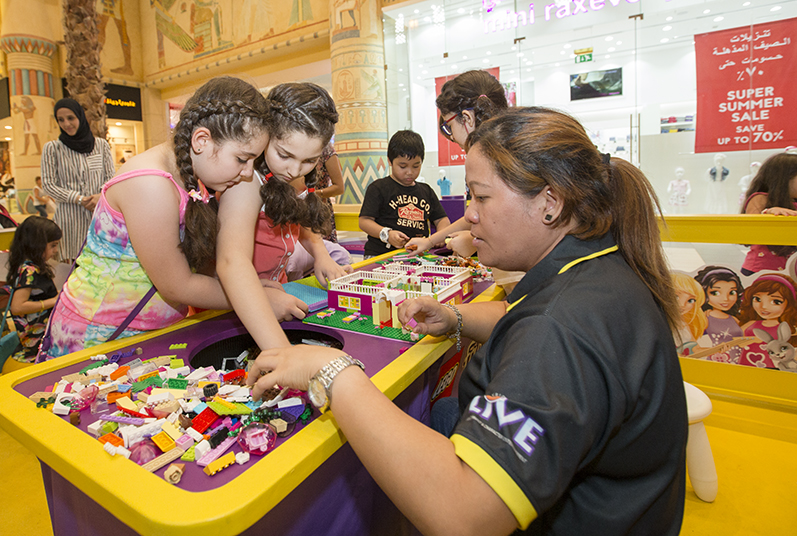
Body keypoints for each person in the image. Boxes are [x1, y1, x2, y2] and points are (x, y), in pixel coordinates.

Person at [247, 107, 687, 535]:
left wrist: (332, 373)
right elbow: (520, 320)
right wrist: (456, 316)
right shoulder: (596, 267)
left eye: (481, 196)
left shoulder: (561, 328)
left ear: (550, 203)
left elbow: (466, 516)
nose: (469, 213)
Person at [39, 77, 270, 360]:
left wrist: (249, 287)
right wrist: (256, 299)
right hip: (98, 338)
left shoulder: (189, 177)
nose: (248, 173)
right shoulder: (150, 184)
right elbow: (177, 284)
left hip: (144, 334)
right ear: (201, 141)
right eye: (242, 159)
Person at [216, 82, 350, 353]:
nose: (294, 170)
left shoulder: (288, 176)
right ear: (266, 135)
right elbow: (232, 262)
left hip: (276, 297)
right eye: (284, 155)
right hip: (237, 306)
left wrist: (321, 254)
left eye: (309, 161)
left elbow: (299, 222)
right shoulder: (246, 183)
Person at [406, 69, 508, 256]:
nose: (451, 137)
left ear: (467, 118)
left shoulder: (494, 159)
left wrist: (475, 242)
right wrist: (430, 241)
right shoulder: (501, 150)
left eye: (449, 126)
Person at [41, 98, 115, 262]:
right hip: (69, 221)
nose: (66, 124)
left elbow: (111, 178)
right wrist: (80, 199)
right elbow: (49, 185)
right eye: (61, 120)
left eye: (70, 118)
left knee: (101, 263)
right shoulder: (52, 148)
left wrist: (99, 196)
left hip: (99, 216)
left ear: (80, 118)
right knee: (72, 265)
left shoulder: (101, 145)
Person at [359, 130, 450, 258]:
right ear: (390, 161)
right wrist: (387, 234)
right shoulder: (379, 188)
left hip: (417, 254)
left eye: (416, 166)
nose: (409, 172)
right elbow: (364, 221)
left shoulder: (426, 191)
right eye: (403, 166)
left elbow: (442, 219)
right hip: (381, 255)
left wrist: (439, 235)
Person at [6, 216, 61, 364]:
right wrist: (52, 301)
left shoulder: (33, 266)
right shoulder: (29, 271)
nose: (55, 251)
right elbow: (17, 307)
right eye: (53, 245)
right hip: (34, 346)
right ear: (37, 244)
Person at [740, 150, 797, 275]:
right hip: (761, 270)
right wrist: (769, 213)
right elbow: (750, 230)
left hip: (792, 271)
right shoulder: (761, 199)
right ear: (783, 180)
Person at [737, 273, 797, 368]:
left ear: (789, 305)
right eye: (757, 299)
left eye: (776, 302)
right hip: (745, 367)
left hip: (774, 371)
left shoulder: (787, 329)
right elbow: (737, 342)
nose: (764, 307)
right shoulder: (751, 325)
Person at [694, 266, 744, 363]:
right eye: (715, 293)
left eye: (732, 292)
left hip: (738, 362)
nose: (725, 298)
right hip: (716, 363)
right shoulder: (705, 318)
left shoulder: (734, 319)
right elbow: (694, 346)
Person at [672, 270, 707, 356]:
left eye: (690, 300)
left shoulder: (684, 324)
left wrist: (717, 349)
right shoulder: (658, 322)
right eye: (676, 297)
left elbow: (696, 349)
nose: (682, 305)